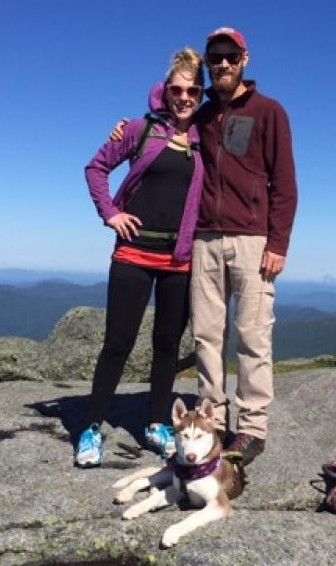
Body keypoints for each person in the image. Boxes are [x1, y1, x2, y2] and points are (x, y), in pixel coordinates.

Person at [75, 48, 206, 468]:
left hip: (179, 258)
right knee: (118, 342)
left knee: (167, 343)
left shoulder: (207, 138)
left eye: (193, 90)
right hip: (133, 252)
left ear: (201, 93)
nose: (184, 96)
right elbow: (96, 168)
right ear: (165, 91)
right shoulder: (138, 130)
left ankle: (155, 424)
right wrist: (110, 213)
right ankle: (91, 427)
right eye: (177, 89)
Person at [190, 27, 298, 465]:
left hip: (254, 241)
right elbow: (164, 105)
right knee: (206, 335)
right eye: (215, 58)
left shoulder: (269, 112)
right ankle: (211, 421)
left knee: (253, 335)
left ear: (245, 59)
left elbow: (285, 184)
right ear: (206, 63)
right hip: (204, 240)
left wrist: (279, 242)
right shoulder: (198, 117)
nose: (223, 65)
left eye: (231, 57)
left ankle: (252, 428)